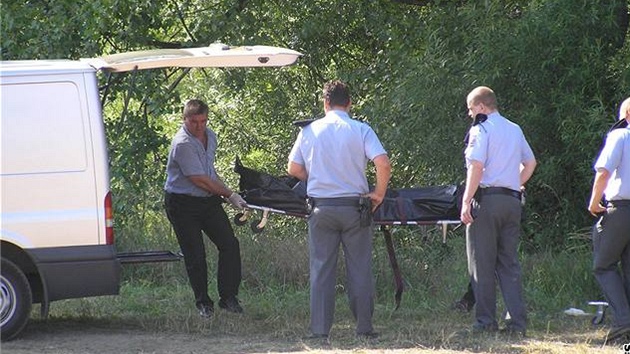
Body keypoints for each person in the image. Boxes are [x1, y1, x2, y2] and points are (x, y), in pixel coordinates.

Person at [287, 80, 391, 339]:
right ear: (350, 103)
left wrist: (317, 178)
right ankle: (364, 328)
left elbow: (293, 169)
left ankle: (320, 331)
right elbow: (383, 163)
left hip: (321, 208)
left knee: (321, 270)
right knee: (360, 268)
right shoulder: (361, 129)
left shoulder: (309, 131)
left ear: (325, 103)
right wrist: (378, 193)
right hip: (355, 208)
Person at [460, 86, 536, 335]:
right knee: (508, 263)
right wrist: (516, 181)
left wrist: (466, 199)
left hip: (488, 201)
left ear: (481, 107)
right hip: (512, 201)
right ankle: (517, 323)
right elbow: (531, 162)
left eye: (471, 109)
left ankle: (485, 322)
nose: (471, 114)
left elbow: (476, 166)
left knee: (481, 263)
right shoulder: (514, 128)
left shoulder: (480, 129)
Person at [164, 99, 247, 318]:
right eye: (194, 122)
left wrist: (230, 194)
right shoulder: (182, 144)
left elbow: (209, 173)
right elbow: (199, 179)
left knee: (229, 244)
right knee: (196, 254)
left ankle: (228, 298)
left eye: (203, 121)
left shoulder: (211, 137)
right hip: (182, 203)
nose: (199, 126)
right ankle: (203, 303)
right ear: (185, 120)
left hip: (207, 200)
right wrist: (229, 194)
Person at [588, 97, 630, 344]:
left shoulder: (621, 136)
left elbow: (603, 171)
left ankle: (624, 321)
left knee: (603, 265)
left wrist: (594, 203)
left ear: (626, 115)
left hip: (621, 208)